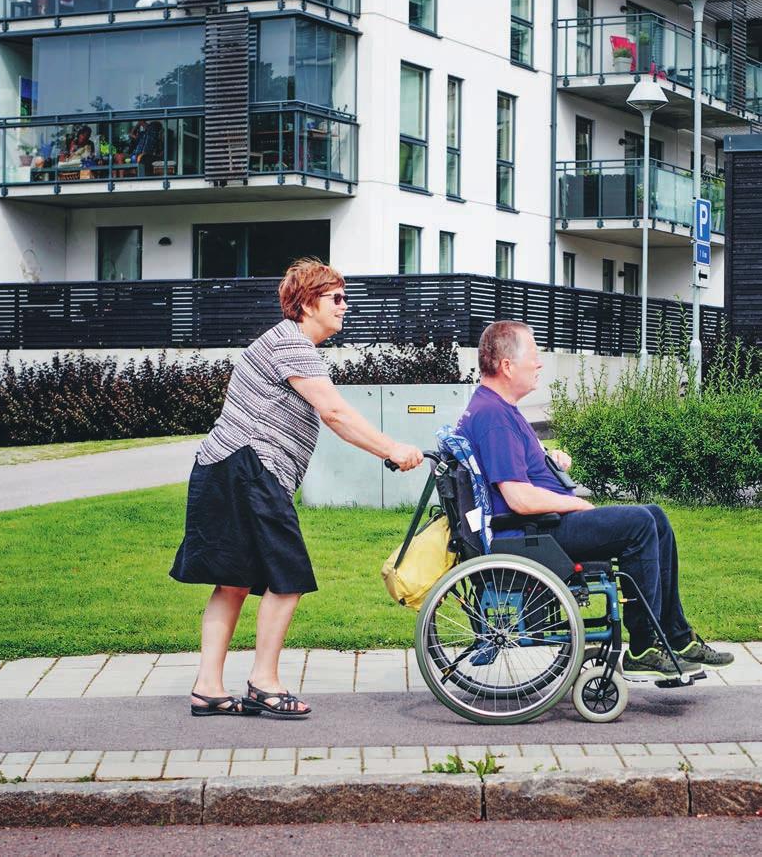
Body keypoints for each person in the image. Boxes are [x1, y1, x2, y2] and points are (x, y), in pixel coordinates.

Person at [170, 259, 423, 718]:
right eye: (337, 299)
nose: (345, 307)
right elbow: (336, 414)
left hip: (225, 469)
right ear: (307, 303)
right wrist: (392, 449)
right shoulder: (292, 344)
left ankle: (208, 688)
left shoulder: (284, 343)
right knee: (287, 577)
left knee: (233, 582)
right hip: (248, 469)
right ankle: (264, 682)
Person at [455, 320, 733, 680]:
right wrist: (576, 503)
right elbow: (518, 497)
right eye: (535, 355)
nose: (539, 364)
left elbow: (515, 466)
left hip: (536, 527)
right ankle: (644, 647)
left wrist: (547, 459)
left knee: (656, 516)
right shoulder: (495, 417)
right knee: (638, 524)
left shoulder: (495, 407)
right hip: (530, 533)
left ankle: (676, 638)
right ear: (507, 366)